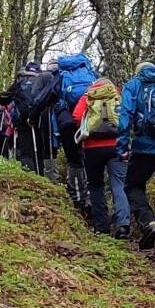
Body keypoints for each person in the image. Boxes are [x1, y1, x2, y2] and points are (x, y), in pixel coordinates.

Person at [117, 61, 155, 261]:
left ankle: (148, 221)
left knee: (132, 186)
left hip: (143, 147)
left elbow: (125, 115)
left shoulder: (134, 84)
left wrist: (122, 147)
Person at [29, 55, 95, 217]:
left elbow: (42, 98)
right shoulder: (92, 75)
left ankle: (78, 201)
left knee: (75, 162)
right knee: (91, 160)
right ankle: (92, 199)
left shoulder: (61, 76)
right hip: (91, 121)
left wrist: (32, 116)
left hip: (68, 123)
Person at [73, 77, 130, 237]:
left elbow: (76, 117)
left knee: (96, 185)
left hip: (92, 148)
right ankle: (123, 225)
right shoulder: (118, 95)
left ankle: (101, 227)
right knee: (119, 184)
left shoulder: (87, 96)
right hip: (116, 145)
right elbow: (127, 118)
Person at [0, 68, 47, 175]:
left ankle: (30, 178)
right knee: (40, 152)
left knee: (26, 153)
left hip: (23, 122)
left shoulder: (19, 84)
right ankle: (43, 179)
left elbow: (3, 99)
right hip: (41, 121)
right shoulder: (43, 81)